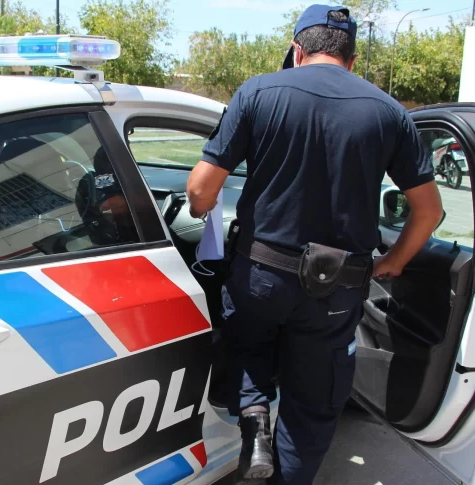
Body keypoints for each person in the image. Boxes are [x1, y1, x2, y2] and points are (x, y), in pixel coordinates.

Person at [186, 5, 443, 484]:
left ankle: (254, 418)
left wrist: (201, 215)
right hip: (337, 287)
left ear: (297, 49)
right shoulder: (390, 113)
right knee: (315, 401)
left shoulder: (258, 91)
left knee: (249, 340)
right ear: (352, 56)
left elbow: (201, 190)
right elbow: (429, 212)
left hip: (259, 273)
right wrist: (393, 261)